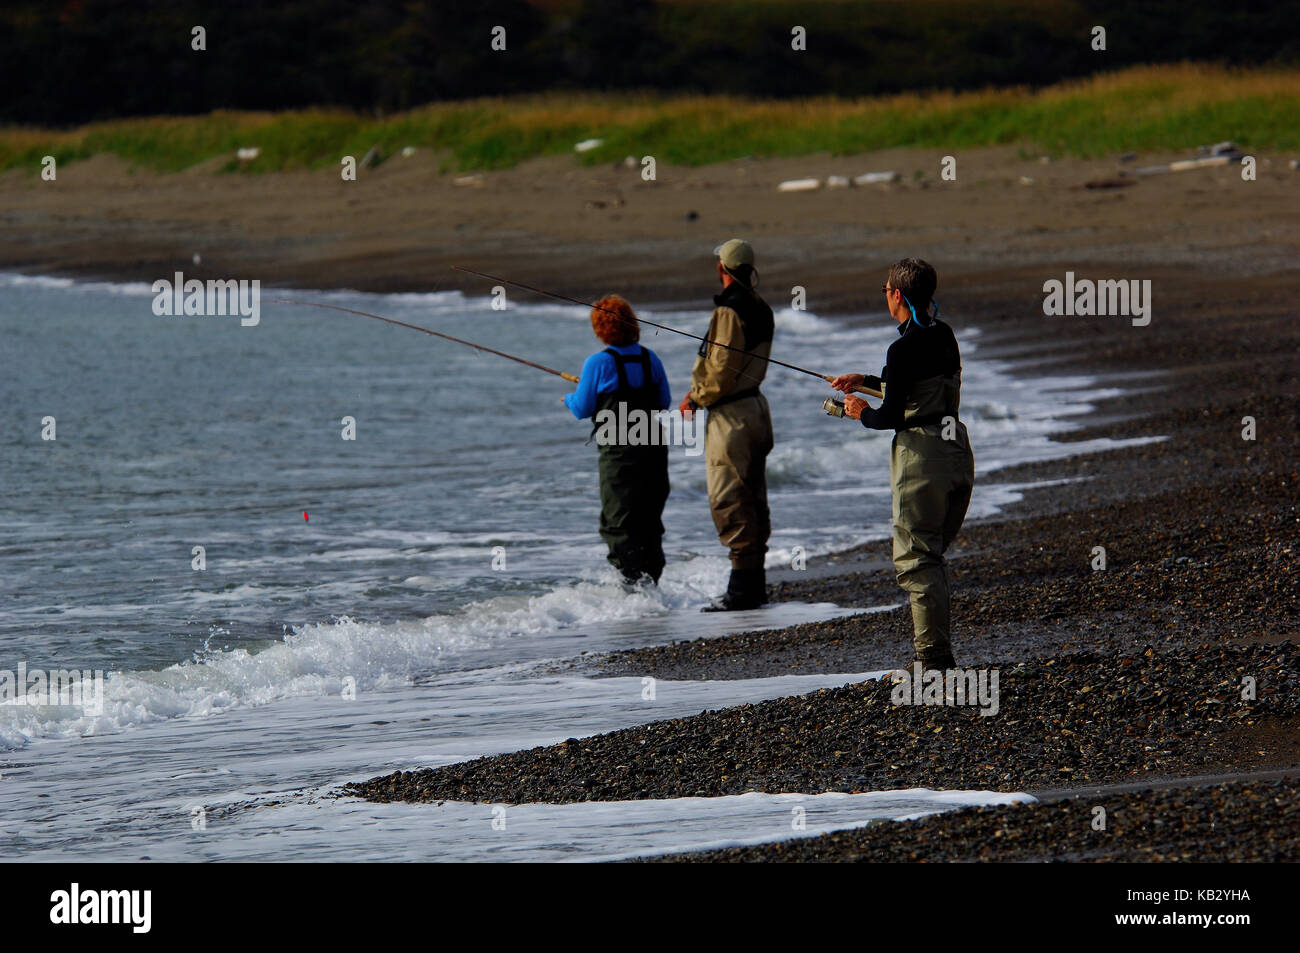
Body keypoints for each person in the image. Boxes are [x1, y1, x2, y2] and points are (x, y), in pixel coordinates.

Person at [830, 258, 975, 671]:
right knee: (931, 555)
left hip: (922, 456)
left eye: (886, 290)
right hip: (955, 446)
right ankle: (937, 655)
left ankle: (933, 661)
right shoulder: (944, 335)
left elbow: (891, 416)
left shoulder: (902, 348)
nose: (886, 297)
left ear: (896, 294)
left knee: (918, 558)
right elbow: (915, 388)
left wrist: (858, 410)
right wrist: (865, 381)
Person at [679, 239, 775, 611]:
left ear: (722, 268)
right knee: (753, 498)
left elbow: (721, 370)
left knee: (728, 500)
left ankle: (741, 592)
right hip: (756, 410)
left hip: (731, 418)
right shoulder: (762, 307)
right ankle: (755, 585)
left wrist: (695, 397)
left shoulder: (729, 311)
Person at [564, 295, 672, 584]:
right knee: (650, 520)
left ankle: (630, 592)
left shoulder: (598, 363)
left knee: (619, 522)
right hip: (653, 450)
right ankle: (653, 587)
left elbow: (582, 408)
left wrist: (568, 398)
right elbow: (664, 402)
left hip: (619, 455)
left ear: (601, 329)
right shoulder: (651, 359)